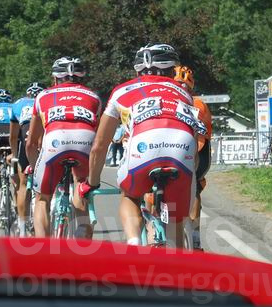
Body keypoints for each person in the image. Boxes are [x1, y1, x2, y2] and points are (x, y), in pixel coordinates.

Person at [80, 44, 204, 248]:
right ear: (173, 69)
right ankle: (175, 264)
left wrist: (91, 183)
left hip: (144, 146)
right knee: (175, 220)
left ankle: (134, 243)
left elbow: (99, 145)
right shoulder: (185, 94)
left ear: (137, 70)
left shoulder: (121, 91)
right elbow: (195, 145)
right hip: (182, 147)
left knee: (130, 195)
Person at [25, 58, 101, 239]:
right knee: (81, 185)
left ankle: (43, 250)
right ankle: (82, 235)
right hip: (85, 139)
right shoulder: (94, 97)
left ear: (55, 78)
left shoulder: (43, 96)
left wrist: (36, 169)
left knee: (42, 198)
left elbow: (31, 143)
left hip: (54, 141)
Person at [173, 65, 212, 249]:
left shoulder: (162, 98)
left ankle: (152, 232)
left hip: (175, 151)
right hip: (195, 153)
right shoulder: (198, 103)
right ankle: (195, 238)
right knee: (194, 184)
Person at [11, 82, 43, 227]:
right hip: (43, 134)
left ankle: (22, 227)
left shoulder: (19, 103)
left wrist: (14, 154)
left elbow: (12, 136)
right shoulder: (46, 98)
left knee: (23, 184)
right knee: (46, 182)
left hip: (25, 134)